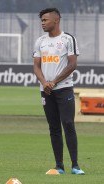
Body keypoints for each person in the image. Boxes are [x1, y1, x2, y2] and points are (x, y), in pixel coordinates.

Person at [33, 8, 85, 175]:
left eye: (45, 20)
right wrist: (44, 83)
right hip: (46, 91)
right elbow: (36, 66)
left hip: (64, 89)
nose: (42, 22)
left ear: (56, 20)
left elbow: (72, 64)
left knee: (68, 124)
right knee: (53, 127)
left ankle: (75, 166)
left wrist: (53, 82)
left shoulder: (68, 39)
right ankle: (59, 166)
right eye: (41, 20)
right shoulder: (40, 41)